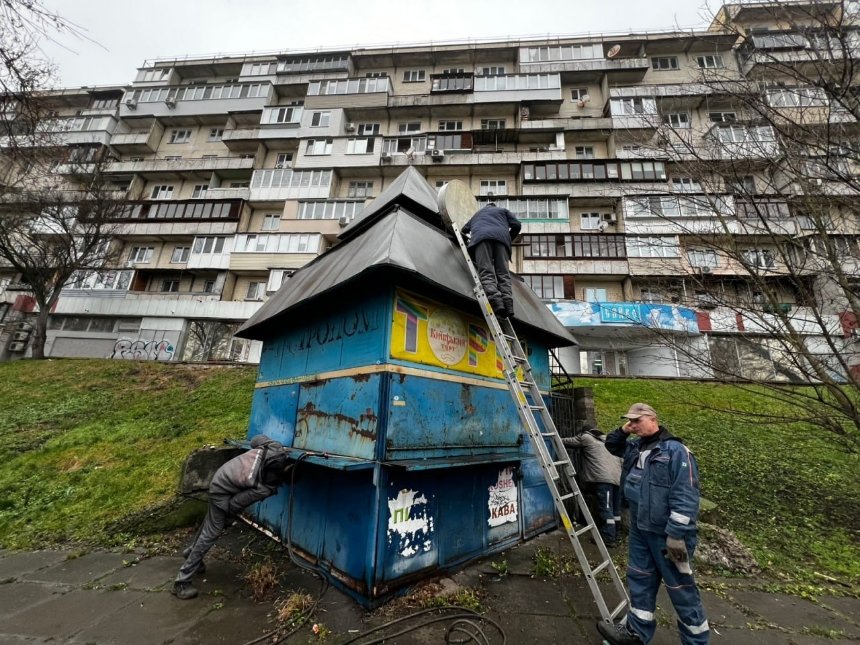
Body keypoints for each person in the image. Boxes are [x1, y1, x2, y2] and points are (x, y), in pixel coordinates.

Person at [597, 403, 709, 645]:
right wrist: (625, 428)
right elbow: (612, 445)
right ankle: (636, 634)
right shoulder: (636, 448)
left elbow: (686, 495)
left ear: (653, 419)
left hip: (668, 535)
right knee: (640, 580)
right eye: (631, 422)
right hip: (641, 530)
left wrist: (676, 534)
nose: (634, 425)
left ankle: (696, 641)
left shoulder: (676, 451)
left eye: (638, 421)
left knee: (681, 590)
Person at [173, 434, 294, 600]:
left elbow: (255, 440)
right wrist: (227, 518)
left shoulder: (274, 448)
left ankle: (190, 552)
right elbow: (234, 505)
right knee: (211, 533)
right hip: (221, 492)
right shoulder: (263, 487)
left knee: (209, 524)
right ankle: (182, 581)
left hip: (221, 475)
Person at [561, 426, 622, 546]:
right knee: (615, 509)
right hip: (617, 479)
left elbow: (568, 441)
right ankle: (616, 534)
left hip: (603, 479)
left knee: (606, 508)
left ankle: (608, 538)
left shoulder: (586, 437)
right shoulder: (608, 442)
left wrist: (554, 439)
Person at [461, 202, 521, 318]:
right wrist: (508, 237)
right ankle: (508, 306)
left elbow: (464, 230)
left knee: (486, 271)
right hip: (501, 242)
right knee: (503, 274)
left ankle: (496, 303)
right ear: (494, 206)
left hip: (481, 240)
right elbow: (517, 225)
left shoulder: (477, 214)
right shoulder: (503, 211)